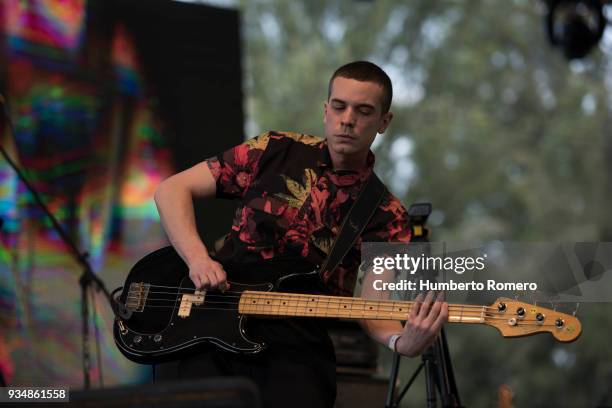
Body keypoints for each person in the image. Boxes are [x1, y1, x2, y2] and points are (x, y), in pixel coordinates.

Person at [154, 61, 448, 407]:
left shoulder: (388, 214)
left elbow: (373, 307)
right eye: (339, 106)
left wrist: (402, 341)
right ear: (326, 110)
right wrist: (197, 258)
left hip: (297, 349)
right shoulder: (273, 150)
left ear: (384, 121)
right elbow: (172, 190)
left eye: (364, 111)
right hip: (214, 326)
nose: (348, 119)